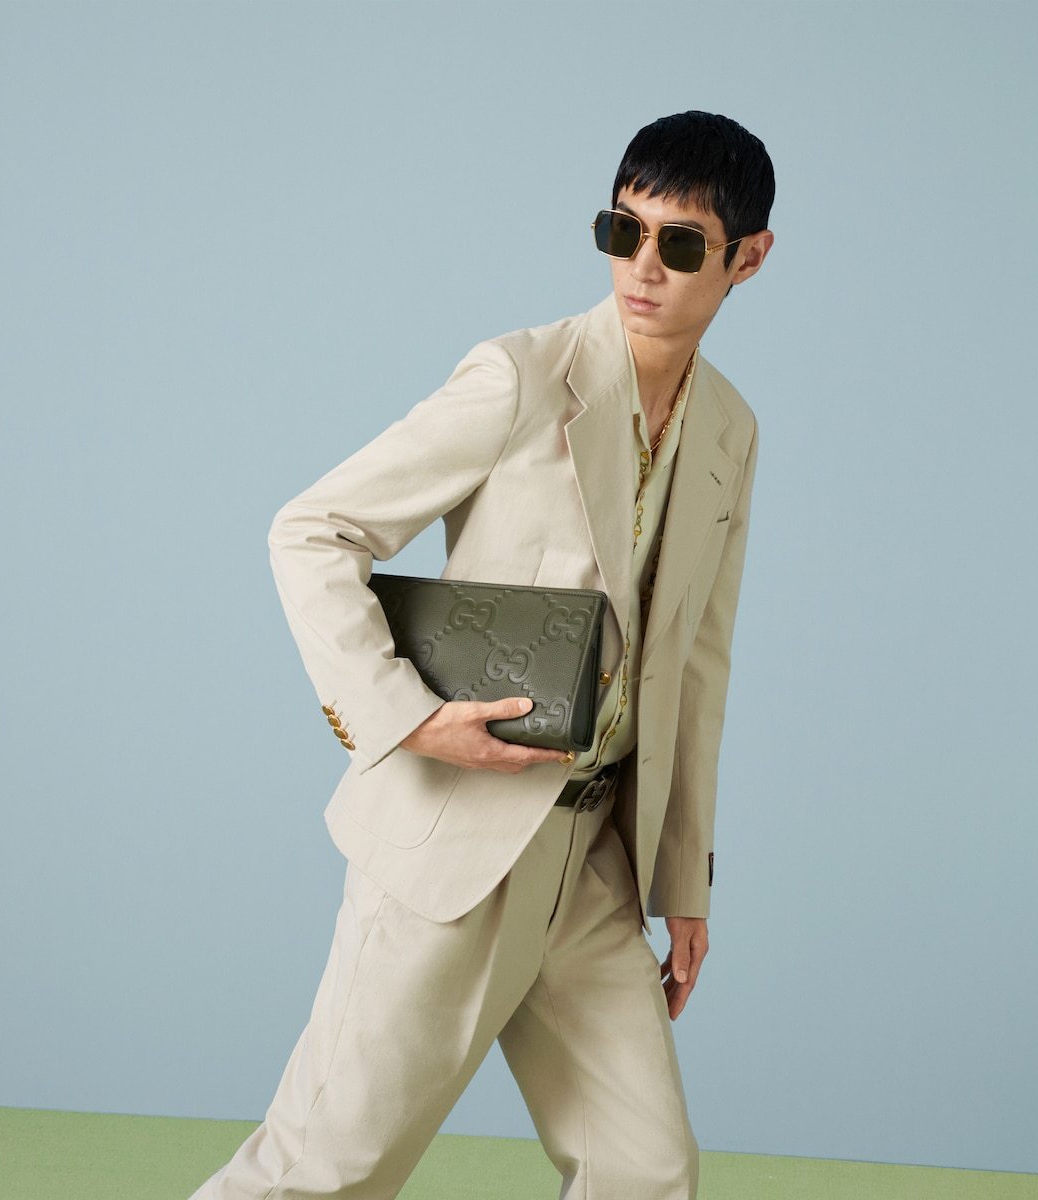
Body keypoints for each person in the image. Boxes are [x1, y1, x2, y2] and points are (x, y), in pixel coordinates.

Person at [190, 109, 775, 1200]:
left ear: (748, 259)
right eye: (623, 230)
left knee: (647, 1169)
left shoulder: (731, 433)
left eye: (681, 243)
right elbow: (312, 531)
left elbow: (699, 663)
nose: (642, 267)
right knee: (323, 1171)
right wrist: (404, 717)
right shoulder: (520, 377)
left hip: (595, 860)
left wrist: (681, 877)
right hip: (459, 841)